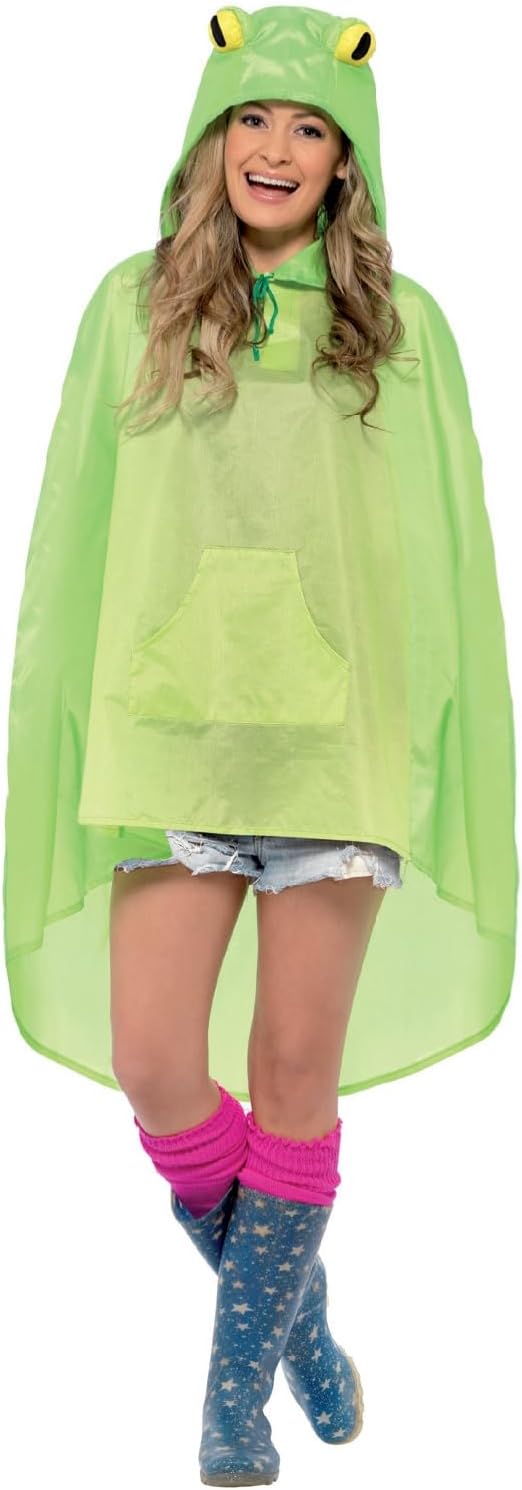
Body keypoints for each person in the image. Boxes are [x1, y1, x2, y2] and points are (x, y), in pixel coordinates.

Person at [3, 8, 518, 1487]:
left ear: (348, 163)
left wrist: (431, 737)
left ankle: (229, 1408)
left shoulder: (401, 330)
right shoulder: (134, 304)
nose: (275, 149)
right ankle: (297, 1324)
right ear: (209, 135)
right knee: (157, 1063)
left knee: (293, 1069)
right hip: (175, 732)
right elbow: (77, 526)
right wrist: (68, 711)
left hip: (335, 752)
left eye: (307, 128)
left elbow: (444, 553)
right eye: (250, 119)